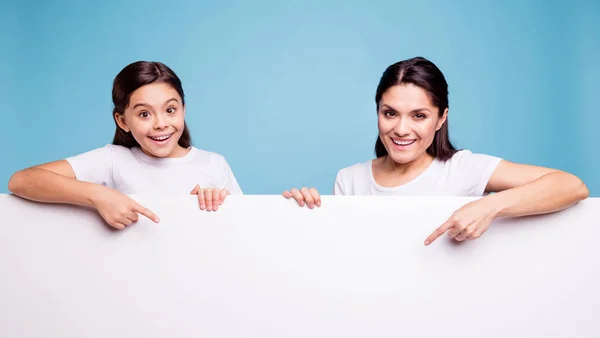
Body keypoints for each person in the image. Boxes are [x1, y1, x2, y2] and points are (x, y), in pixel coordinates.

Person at [284, 56, 589, 245]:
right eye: (390, 113)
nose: (402, 129)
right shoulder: (349, 180)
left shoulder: (463, 169)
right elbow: (341, 255)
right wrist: (305, 213)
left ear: (442, 117)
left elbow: (571, 185)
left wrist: (488, 207)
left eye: (419, 116)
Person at [8, 61, 242, 229]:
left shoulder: (213, 164)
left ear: (183, 109)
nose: (161, 124)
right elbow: (21, 180)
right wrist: (99, 195)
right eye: (143, 114)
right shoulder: (114, 160)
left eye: (170, 110)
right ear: (123, 121)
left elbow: (245, 229)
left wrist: (216, 204)